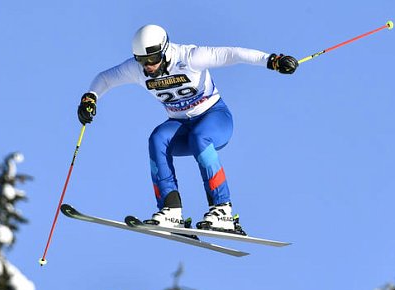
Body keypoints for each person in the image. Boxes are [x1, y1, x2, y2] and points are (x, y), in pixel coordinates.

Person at [77, 24, 298, 234]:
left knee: (199, 137)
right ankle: (171, 210)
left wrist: (272, 60)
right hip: (180, 125)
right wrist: (91, 97)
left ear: (164, 50)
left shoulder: (190, 57)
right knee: (157, 139)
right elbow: (105, 78)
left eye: (153, 59)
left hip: (214, 117)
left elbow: (234, 54)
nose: (148, 66)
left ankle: (222, 210)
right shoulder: (138, 70)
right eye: (142, 61)